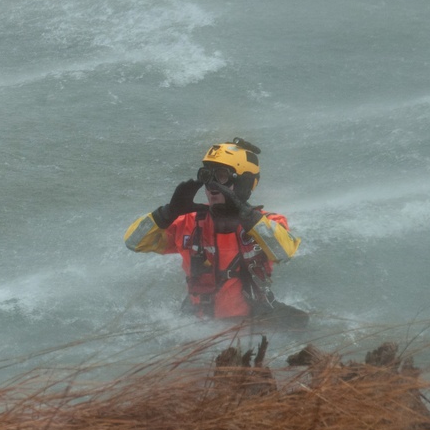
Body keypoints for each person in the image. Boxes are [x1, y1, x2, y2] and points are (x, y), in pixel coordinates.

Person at [124, 138, 305, 325]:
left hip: (251, 323)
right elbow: (133, 242)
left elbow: (285, 252)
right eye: (207, 177)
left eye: (221, 177)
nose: (211, 186)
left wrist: (249, 217)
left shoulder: (268, 224)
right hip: (198, 322)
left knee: (301, 323)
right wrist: (167, 213)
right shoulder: (188, 222)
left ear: (244, 182)